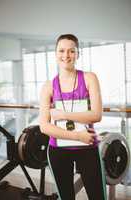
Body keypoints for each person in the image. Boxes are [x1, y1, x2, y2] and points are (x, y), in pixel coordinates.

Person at [39, 34, 107, 200]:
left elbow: (96, 115)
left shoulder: (90, 78)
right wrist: (77, 136)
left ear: (77, 54)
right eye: (61, 50)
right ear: (55, 54)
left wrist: (63, 114)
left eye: (71, 51)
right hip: (58, 150)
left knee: (97, 196)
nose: (66, 55)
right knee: (66, 197)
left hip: (87, 147)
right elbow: (44, 126)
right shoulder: (48, 87)